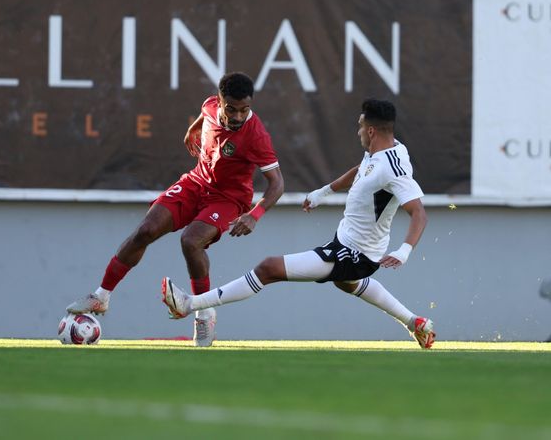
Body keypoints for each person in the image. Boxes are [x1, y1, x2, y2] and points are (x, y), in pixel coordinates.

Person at [162, 98, 436, 349]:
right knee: (347, 283)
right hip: (346, 244)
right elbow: (361, 170)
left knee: (268, 268)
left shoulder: (395, 168)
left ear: (372, 131)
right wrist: (324, 192)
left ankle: (189, 304)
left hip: (357, 253)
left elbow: (418, 212)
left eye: (361, 127)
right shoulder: (387, 149)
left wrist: (404, 251)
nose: (359, 132)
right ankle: (416, 323)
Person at [67, 72, 284, 347]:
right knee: (145, 230)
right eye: (232, 109)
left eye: (245, 110)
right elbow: (204, 114)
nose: (239, 116)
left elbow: (277, 183)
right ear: (220, 101)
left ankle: (204, 314)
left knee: (191, 241)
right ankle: (101, 296)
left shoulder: (256, 136)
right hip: (196, 183)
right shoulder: (210, 106)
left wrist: (254, 215)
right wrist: (193, 129)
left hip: (228, 198)